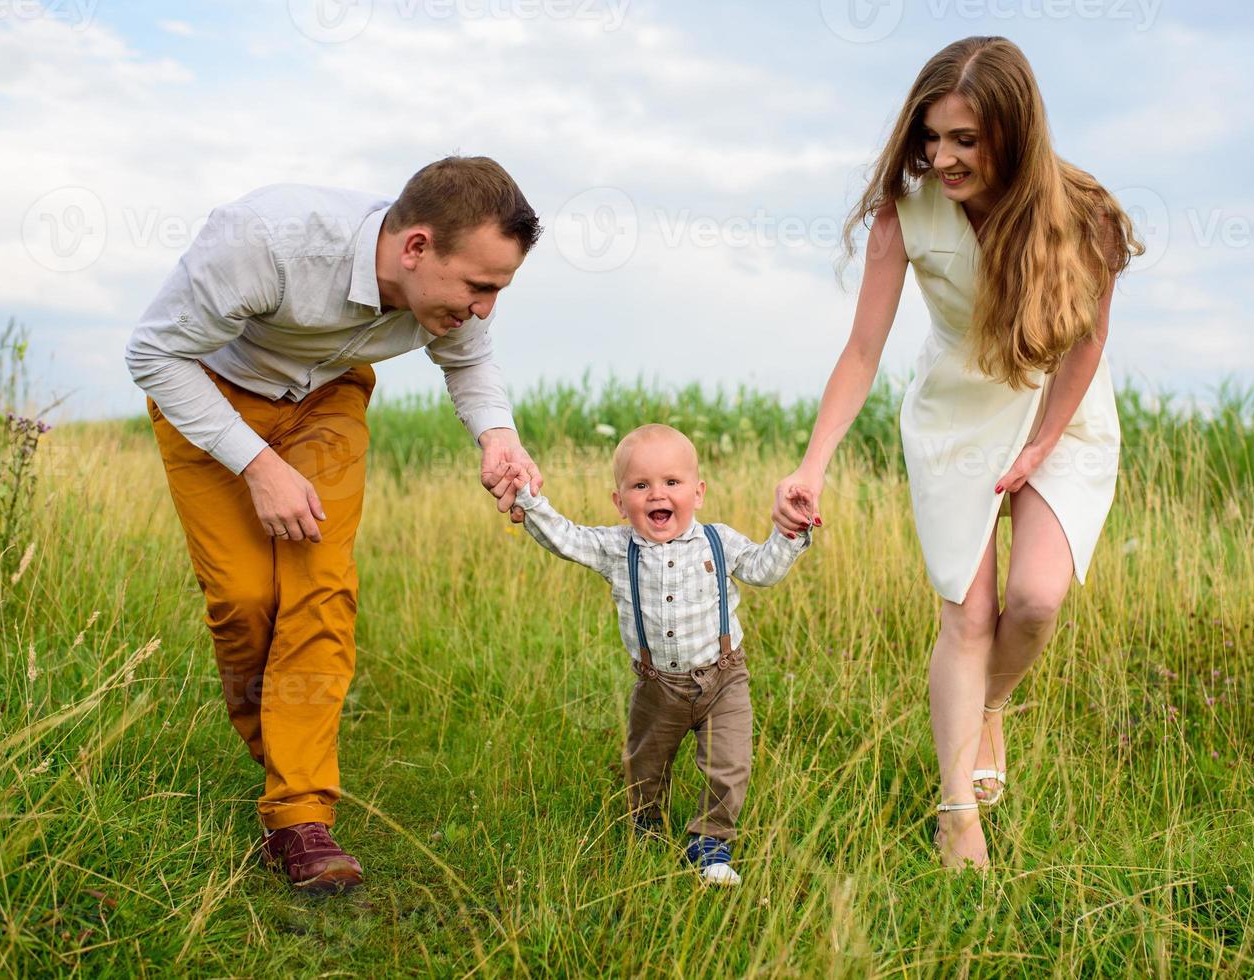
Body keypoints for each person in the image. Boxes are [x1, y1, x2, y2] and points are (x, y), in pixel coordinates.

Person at [771, 36, 1143, 870]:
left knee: (1037, 600)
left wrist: (1044, 442)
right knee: (969, 616)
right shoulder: (903, 218)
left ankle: (989, 709)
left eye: (964, 140)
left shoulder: (1086, 213)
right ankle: (954, 817)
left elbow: (1086, 345)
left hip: (1063, 410)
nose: (941, 157)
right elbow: (862, 350)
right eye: (931, 137)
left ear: (1013, 130)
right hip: (957, 416)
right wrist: (812, 462)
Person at [126, 156, 545, 893]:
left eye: (499, 291)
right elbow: (155, 353)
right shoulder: (266, 241)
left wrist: (498, 437)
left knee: (320, 593)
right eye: (478, 287)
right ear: (415, 247)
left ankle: (299, 817)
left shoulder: (445, 299)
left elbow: (470, 365)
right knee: (246, 600)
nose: (484, 309)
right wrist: (257, 465)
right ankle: (287, 749)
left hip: (326, 406)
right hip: (210, 396)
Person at [501, 424, 813, 884]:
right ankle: (647, 823)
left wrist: (789, 534)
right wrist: (529, 502)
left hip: (723, 678)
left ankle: (710, 843)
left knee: (729, 766)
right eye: (640, 485)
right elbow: (566, 538)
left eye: (671, 483)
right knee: (645, 764)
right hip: (657, 686)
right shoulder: (615, 548)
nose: (656, 495)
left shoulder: (718, 542)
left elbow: (764, 570)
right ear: (619, 501)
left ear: (698, 492)